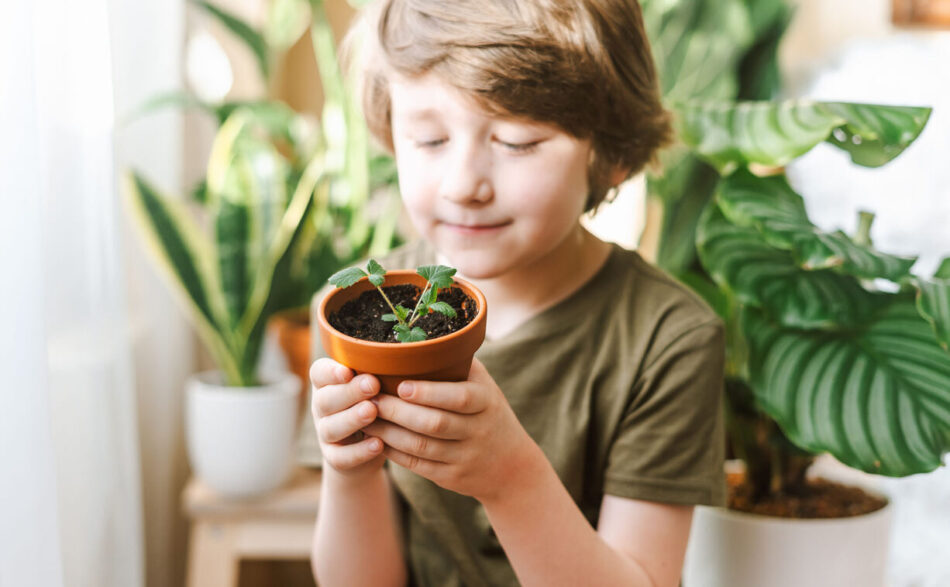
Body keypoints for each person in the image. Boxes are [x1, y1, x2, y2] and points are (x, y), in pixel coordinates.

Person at [306, 1, 726, 585]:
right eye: (429, 140)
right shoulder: (351, 314)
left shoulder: (668, 340)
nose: (463, 185)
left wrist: (509, 478)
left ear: (612, 156)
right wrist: (348, 469)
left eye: (518, 141)